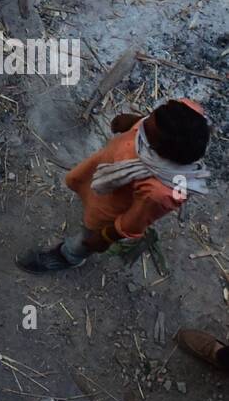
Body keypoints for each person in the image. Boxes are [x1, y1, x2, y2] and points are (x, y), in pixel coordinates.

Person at [17, 100, 210, 273]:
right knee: (85, 184)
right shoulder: (184, 113)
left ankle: (69, 256)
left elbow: (133, 222)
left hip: (111, 206)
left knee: (89, 233)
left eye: (146, 131)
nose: (141, 127)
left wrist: (105, 237)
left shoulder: (161, 192)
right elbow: (150, 122)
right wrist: (134, 121)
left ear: (161, 151)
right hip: (106, 173)